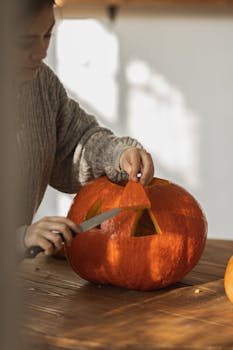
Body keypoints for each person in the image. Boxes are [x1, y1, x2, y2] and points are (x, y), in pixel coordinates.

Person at [16, 0, 155, 258]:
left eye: (47, 34)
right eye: (25, 42)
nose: (41, 52)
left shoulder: (41, 84)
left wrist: (118, 155)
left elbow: (76, 145)